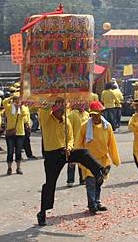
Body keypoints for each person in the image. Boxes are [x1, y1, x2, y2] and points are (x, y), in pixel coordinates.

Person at [37, 97, 105, 226]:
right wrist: (53, 96)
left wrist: (69, 147)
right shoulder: (46, 118)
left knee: (83, 153)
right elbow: (45, 108)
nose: (62, 110)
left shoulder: (66, 120)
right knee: (50, 184)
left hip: (65, 152)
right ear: (54, 108)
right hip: (51, 155)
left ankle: (99, 171)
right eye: (59, 107)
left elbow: (70, 137)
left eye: (63, 107)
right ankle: (42, 212)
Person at [77, 101, 120, 214]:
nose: (95, 117)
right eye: (93, 115)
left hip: (102, 159)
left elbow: (112, 144)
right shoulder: (84, 126)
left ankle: (97, 201)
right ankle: (92, 204)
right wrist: (76, 158)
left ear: (101, 113)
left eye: (97, 114)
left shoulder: (107, 127)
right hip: (89, 160)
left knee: (99, 182)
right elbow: (79, 143)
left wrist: (115, 159)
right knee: (90, 182)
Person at [3, 94, 29, 176]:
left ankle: (18, 167)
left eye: (19, 99)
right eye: (16, 99)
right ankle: (9, 167)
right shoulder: (9, 107)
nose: (17, 101)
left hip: (20, 133)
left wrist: (20, 107)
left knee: (18, 151)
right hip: (10, 132)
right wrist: (11, 97)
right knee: (10, 151)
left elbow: (25, 115)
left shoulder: (23, 108)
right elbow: (4, 102)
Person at [67, 103, 90, 186]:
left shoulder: (87, 114)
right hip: (74, 141)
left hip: (84, 142)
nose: (82, 106)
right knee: (72, 161)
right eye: (80, 104)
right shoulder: (72, 115)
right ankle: (70, 180)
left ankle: (82, 179)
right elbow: (69, 129)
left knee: (82, 161)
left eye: (83, 104)